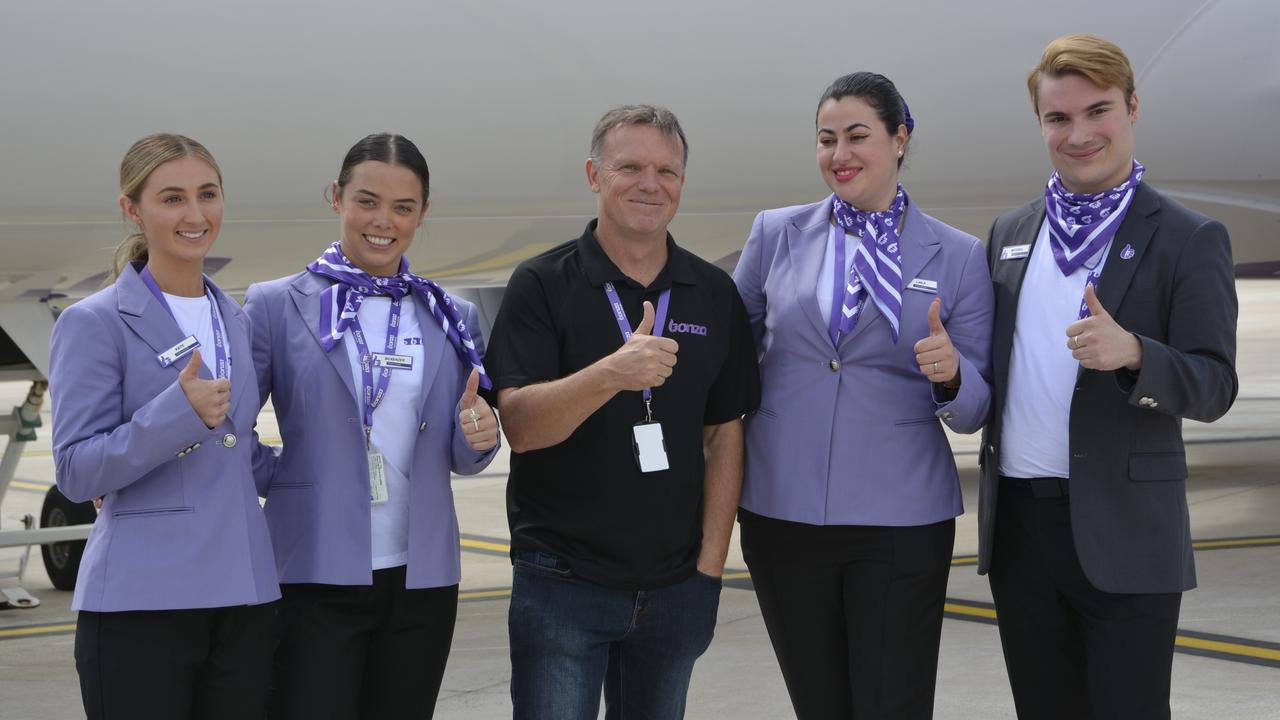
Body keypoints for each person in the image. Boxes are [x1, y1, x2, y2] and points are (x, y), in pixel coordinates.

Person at [978, 34, 1238, 719]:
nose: (1079, 133)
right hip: (1021, 534)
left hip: (1127, 532)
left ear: (1132, 108)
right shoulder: (1011, 232)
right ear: (1040, 124)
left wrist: (1135, 356)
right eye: (1058, 118)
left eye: (1098, 111)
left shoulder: (1187, 237)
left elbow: (1214, 385)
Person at [483, 105, 760, 720]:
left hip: (675, 585)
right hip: (562, 581)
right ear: (593, 175)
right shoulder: (542, 283)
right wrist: (611, 373)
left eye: (666, 170)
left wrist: (710, 567)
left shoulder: (712, 293)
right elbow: (522, 427)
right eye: (629, 166)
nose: (649, 183)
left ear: (682, 182)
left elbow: (724, 435)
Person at [732, 72, 994, 718]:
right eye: (826, 139)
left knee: (891, 702)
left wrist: (952, 373)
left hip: (900, 519)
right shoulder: (774, 234)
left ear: (899, 139)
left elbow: (977, 407)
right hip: (782, 510)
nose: (839, 154)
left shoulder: (958, 256)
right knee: (818, 702)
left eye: (857, 136)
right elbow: (730, 353)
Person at [243, 133, 499, 720]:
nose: (383, 221)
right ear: (336, 197)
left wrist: (480, 436)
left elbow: (464, 448)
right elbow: (233, 431)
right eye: (367, 201)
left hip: (422, 576)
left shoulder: (448, 313)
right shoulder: (277, 304)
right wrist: (286, 479)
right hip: (313, 570)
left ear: (422, 214)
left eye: (403, 207)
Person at [49, 133, 280, 720]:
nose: (196, 215)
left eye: (208, 194)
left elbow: (239, 450)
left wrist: (337, 462)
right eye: (172, 198)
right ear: (133, 209)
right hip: (141, 605)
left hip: (245, 598)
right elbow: (76, 471)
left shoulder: (236, 318)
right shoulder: (93, 322)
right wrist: (175, 416)